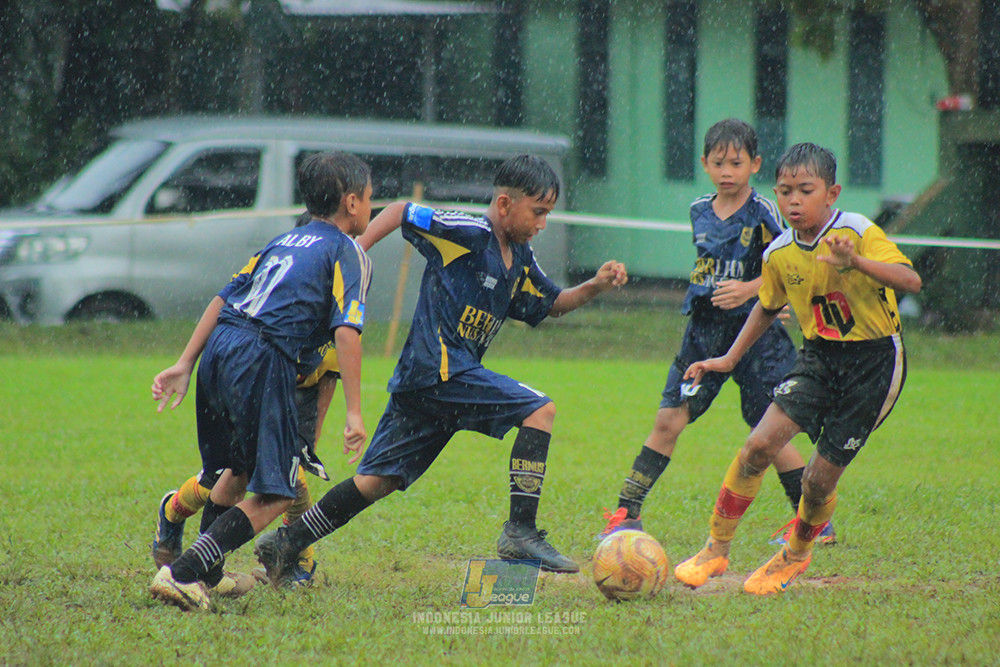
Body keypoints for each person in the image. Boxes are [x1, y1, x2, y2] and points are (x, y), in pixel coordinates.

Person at [253, 154, 627, 585]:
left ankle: (285, 544)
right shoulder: (468, 232)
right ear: (504, 204)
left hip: (428, 382)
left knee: (377, 481)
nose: (543, 223)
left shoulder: (520, 258)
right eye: (538, 212)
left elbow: (552, 304)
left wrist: (595, 286)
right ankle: (519, 532)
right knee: (539, 411)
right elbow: (398, 211)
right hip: (441, 370)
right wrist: (354, 253)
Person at [674, 142, 921, 595]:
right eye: (785, 191)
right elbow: (767, 306)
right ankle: (715, 548)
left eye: (805, 190)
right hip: (817, 357)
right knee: (757, 445)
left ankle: (797, 553)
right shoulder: (780, 252)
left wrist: (856, 262)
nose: (793, 201)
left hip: (874, 363)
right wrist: (728, 358)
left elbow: (911, 280)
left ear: (831, 193)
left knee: (816, 479)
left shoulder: (859, 231)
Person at [149, 151, 373, 610]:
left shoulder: (283, 241)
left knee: (234, 474)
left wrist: (185, 362)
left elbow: (223, 297)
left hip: (220, 347)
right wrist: (354, 410)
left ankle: (207, 576)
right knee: (276, 494)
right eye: (371, 198)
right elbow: (346, 332)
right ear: (352, 202)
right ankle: (183, 573)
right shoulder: (347, 250)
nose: (372, 206)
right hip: (262, 356)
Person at [599, 119, 834, 545]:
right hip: (704, 335)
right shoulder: (698, 211)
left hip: (756, 339)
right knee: (669, 418)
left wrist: (753, 290)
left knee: (768, 430)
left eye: (737, 162)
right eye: (719, 162)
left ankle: (815, 523)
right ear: (705, 164)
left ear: (755, 164)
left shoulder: (764, 211)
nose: (728, 170)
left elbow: (790, 262)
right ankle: (625, 513)